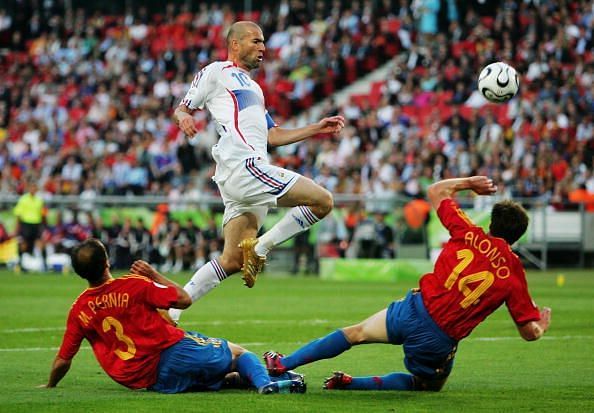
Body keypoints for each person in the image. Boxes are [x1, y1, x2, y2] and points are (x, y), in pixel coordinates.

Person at [263, 176, 552, 391]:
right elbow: (529, 332)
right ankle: (351, 384)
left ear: (492, 223)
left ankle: (284, 363)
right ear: (519, 236)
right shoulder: (513, 271)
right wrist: (541, 325)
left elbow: (436, 190)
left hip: (413, 308)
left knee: (356, 333)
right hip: (437, 337)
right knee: (427, 385)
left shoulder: (467, 231)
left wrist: (469, 183)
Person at [171, 21, 344, 321]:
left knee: (232, 260)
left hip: (244, 175)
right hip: (245, 166)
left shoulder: (254, 88)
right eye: (256, 41)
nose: (262, 48)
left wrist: (316, 128)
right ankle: (262, 247)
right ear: (235, 44)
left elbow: (272, 136)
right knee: (323, 201)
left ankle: (171, 313)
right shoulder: (216, 72)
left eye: (263, 42)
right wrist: (183, 117)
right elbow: (183, 106)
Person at [40, 238, 306, 394]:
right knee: (237, 354)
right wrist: (153, 275)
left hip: (150, 381)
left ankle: (285, 381)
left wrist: (51, 385)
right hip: (169, 353)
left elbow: (63, 359)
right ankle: (267, 385)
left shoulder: (79, 310)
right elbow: (183, 299)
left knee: (227, 379)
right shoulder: (134, 284)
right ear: (107, 262)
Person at [13, 180, 45, 270]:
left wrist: (43, 226)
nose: (33, 189)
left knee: (40, 243)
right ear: (28, 188)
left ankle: (43, 264)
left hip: (37, 224)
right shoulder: (23, 199)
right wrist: (17, 228)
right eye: (31, 187)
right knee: (24, 244)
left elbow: (43, 214)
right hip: (26, 224)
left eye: (35, 187)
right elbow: (18, 215)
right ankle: (20, 263)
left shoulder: (39, 200)